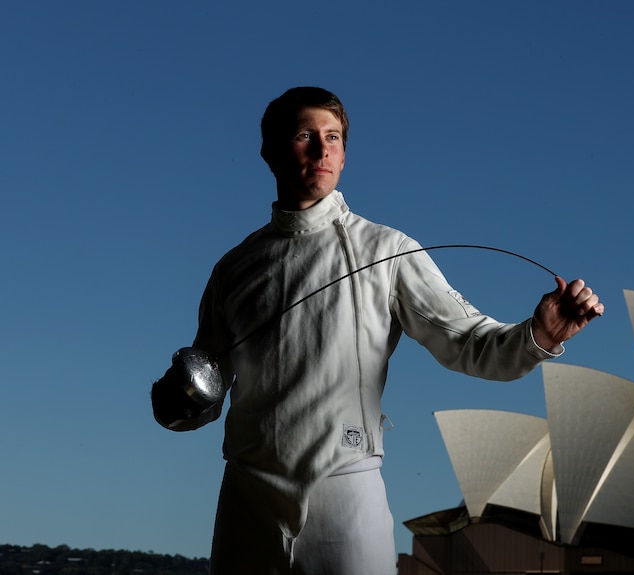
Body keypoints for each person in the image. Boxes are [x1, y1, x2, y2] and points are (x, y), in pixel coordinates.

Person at [155, 86, 604, 574]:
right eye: (306, 135)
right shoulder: (234, 269)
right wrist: (175, 403)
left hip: (345, 489)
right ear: (270, 151)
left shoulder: (385, 250)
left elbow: (470, 343)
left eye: (333, 137)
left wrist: (540, 334)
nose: (322, 149)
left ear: (345, 155)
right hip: (248, 496)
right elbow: (205, 388)